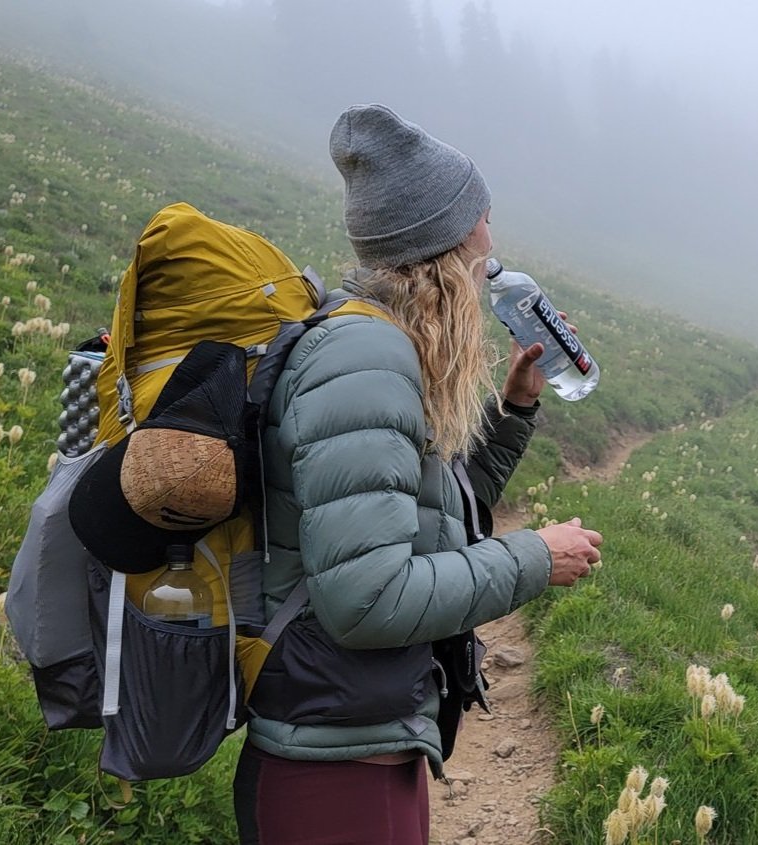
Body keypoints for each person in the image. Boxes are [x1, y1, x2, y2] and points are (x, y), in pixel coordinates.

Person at [233, 103, 604, 845]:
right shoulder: (363, 363)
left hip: (360, 741)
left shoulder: (382, 351)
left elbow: (421, 521)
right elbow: (366, 599)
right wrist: (534, 557)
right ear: (443, 242)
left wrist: (511, 416)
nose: (492, 240)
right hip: (330, 772)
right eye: (481, 220)